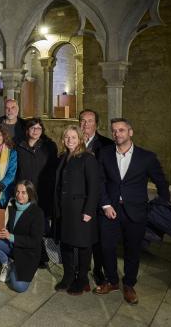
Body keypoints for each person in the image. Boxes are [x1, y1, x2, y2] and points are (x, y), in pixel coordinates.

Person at [94, 118, 170, 305]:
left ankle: (128, 284)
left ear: (130, 132)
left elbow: (161, 183)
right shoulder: (104, 154)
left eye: (121, 130)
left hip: (136, 211)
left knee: (133, 250)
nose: (117, 134)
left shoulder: (147, 157)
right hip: (110, 209)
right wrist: (105, 205)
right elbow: (100, 182)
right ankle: (112, 281)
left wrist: (159, 204)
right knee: (106, 247)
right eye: (114, 131)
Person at [53, 125, 101, 295]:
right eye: (67, 137)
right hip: (64, 210)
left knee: (83, 246)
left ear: (80, 139)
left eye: (73, 137)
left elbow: (95, 187)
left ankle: (81, 279)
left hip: (81, 210)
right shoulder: (62, 157)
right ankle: (67, 277)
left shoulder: (87, 158)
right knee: (65, 244)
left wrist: (88, 211)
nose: (70, 140)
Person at [0, 180, 44, 292]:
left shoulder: (37, 213)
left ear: (30, 194)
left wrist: (11, 237)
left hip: (27, 254)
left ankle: (22, 268)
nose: (19, 195)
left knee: (19, 287)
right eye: (17, 192)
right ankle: (6, 263)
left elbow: (35, 241)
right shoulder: (11, 207)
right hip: (12, 248)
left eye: (23, 193)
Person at [15, 117, 58, 268]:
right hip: (24, 192)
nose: (36, 131)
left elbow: (53, 170)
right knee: (25, 224)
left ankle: (42, 256)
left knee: (40, 225)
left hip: (42, 192)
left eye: (39, 128)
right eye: (33, 128)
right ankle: (28, 253)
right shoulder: (18, 146)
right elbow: (16, 170)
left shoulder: (49, 146)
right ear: (27, 130)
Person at [79, 109, 113, 284]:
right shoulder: (73, 141)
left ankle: (98, 270)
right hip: (78, 198)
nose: (85, 124)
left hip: (98, 198)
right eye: (83, 121)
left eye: (90, 121)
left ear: (96, 124)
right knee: (81, 236)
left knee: (98, 238)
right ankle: (82, 269)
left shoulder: (106, 145)